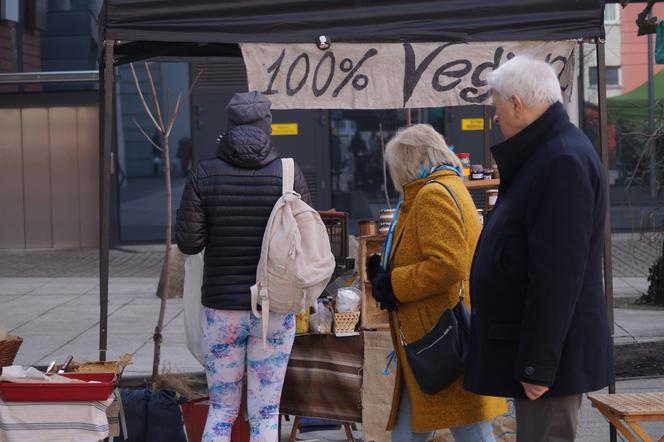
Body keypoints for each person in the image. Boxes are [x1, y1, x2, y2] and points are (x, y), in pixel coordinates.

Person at [464, 56, 614, 442]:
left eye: (496, 107)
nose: (495, 119)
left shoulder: (560, 159)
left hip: (549, 366)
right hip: (544, 359)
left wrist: (537, 366)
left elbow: (558, 275)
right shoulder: (549, 153)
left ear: (517, 103)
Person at [175, 91, 311, 442]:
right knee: (266, 412)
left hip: (221, 309)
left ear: (229, 126)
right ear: (267, 126)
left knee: (221, 410)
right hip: (275, 308)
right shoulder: (289, 174)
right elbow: (308, 241)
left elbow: (189, 243)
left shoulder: (204, 173)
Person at [366, 124, 506, 442]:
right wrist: (384, 273)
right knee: (416, 432)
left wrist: (394, 284)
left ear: (408, 163)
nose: (395, 176)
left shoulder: (431, 195)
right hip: (433, 340)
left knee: (473, 431)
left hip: (440, 339)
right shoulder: (445, 187)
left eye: (395, 167)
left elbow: (448, 264)